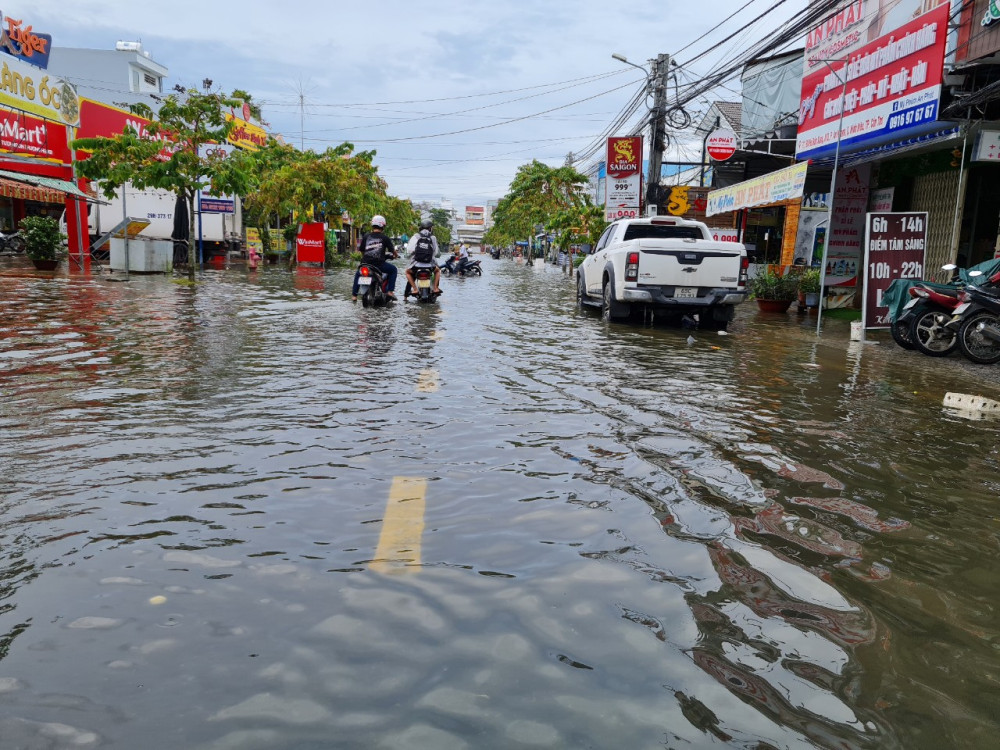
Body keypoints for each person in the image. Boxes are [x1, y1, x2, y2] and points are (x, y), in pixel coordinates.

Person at [352, 215, 398, 302]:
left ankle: (354, 295)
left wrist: (365, 257)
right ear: (383, 226)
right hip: (378, 264)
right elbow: (393, 251)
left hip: (365, 263)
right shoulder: (385, 238)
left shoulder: (366, 236)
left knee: (358, 274)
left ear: (372, 225)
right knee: (393, 270)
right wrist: (395, 255)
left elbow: (362, 250)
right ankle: (390, 292)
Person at [403, 218, 442, 299]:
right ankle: (435, 288)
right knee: (438, 271)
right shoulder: (433, 238)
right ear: (430, 228)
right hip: (430, 265)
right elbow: (436, 252)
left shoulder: (415, 236)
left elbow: (409, 251)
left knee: (408, 272)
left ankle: (412, 291)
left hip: (416, 265)